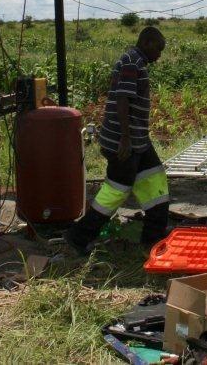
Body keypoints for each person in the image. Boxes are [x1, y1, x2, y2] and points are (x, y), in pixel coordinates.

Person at [65, 26, 168, 254]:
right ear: (147, 43)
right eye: (158, 50)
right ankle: (79, 237)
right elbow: (123, 99)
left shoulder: (137, 62)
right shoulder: (132, 62)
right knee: (116, 192)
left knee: (154, 181)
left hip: (138, 140)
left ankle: (153, 237)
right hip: (126, 142)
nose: (159, 56)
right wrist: (125, 138)